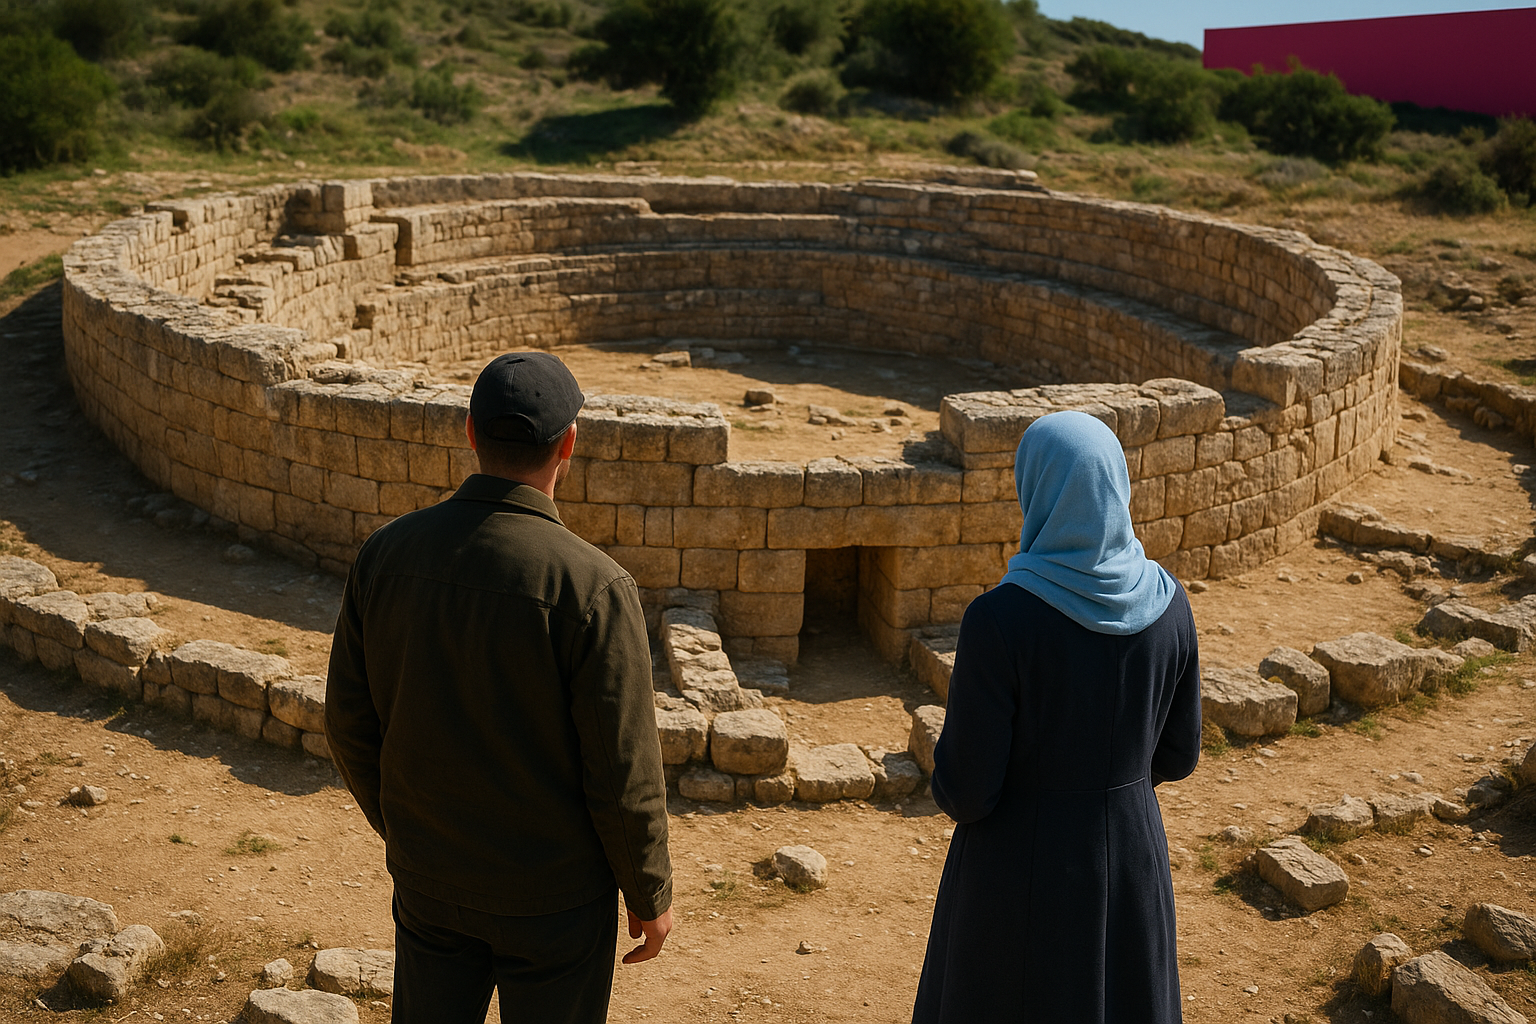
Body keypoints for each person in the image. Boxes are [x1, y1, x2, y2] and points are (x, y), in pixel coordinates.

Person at [325, 351, 673, 1024]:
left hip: (431, 881)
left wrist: (405, 829)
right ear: (569, 442)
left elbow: (347, 722)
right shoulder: (594, 586)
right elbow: (621, 767)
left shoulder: (386, 554)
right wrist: (648, 890)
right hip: (555, 902)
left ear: (469, 432)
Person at [912, 410, 1202, 1024]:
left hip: (1018, 877)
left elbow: (967, 792)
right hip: (1130, 862)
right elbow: (1179, 756)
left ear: (1034, 488)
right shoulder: (1170, 605)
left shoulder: (1000, 622)